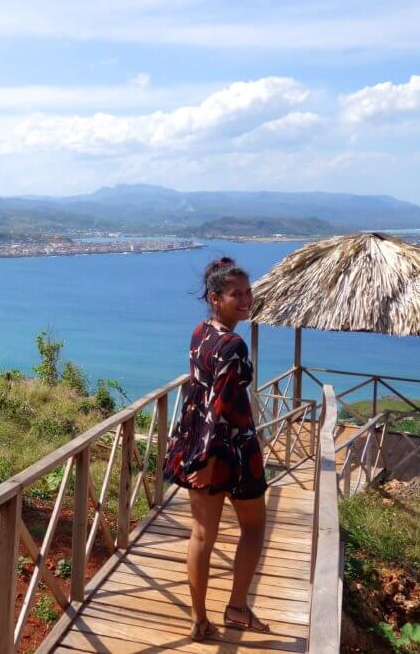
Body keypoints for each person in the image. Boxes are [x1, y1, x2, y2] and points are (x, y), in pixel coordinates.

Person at [163, 256, 270, 640]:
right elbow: (220, 405)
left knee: (202, 534)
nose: (245, 299)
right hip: (232, 447)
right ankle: (237, 607)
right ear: (215, 297)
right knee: (254, 527)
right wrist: (209, 459)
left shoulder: (200, 332)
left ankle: (198, 618)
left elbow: (201, 394)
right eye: (235, 294)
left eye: (247, 291)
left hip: (197, 439)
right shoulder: (234, 344)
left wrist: (198, 453)